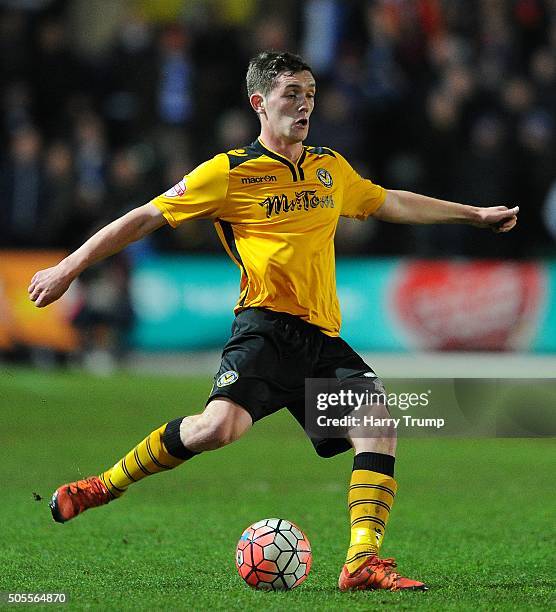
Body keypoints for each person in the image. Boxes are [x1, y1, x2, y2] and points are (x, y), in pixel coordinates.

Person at [29, 51, 518, 592]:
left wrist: (473, 215)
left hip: (320, 339)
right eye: (292, 93)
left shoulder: (330, 167)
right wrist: (69, 267)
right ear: (259, 103)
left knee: (377, 419)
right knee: (217, 429)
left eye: (310, 92)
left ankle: (362, 561)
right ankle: (104, 484)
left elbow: (389, 202)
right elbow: (145, 216)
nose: (305, 103)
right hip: (263, 329)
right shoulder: (228, 172)